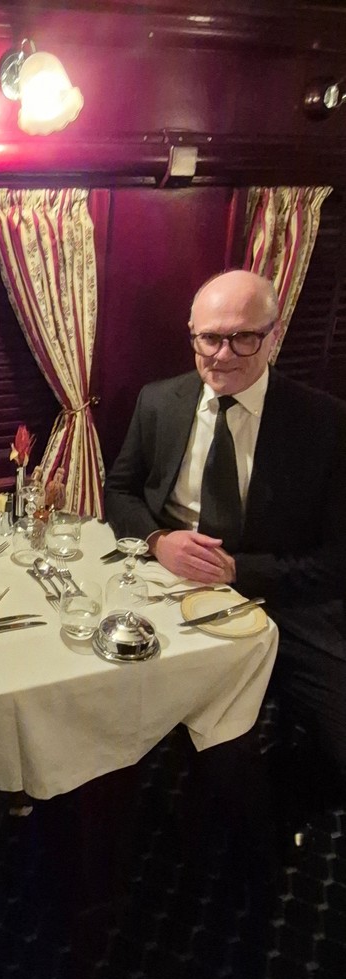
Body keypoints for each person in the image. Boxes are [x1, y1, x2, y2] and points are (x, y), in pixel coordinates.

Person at [105, 269, 346, 785]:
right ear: (193, 334)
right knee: (108, 699)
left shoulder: (325, 422)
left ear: (273, 335)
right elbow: (119, 491)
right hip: (169, 589)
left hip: (281, 600)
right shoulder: (158, 401)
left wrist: (238, 570)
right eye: (210, 338)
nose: (222, 354)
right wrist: (158, 541)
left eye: (243, 337)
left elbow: (336, 561)